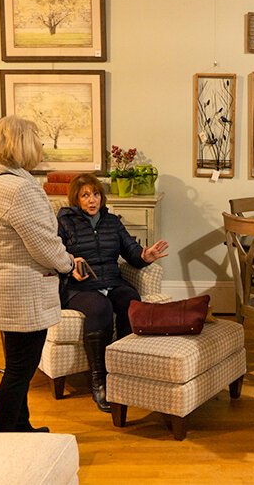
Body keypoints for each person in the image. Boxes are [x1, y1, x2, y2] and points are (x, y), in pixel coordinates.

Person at [0, 115, 85, 432]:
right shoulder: (21, 190)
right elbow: (44, 245)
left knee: (16, 365)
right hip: (24, 292)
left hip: (2, 286)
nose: (40, 148)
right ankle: (3, 435)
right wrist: (68, 264)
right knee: (20, 370)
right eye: (36, 142)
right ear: (23, 146)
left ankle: (20, 428)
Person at [57, 173, 169, 413]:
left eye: (96, 194)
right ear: (76, 199)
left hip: (112, 281)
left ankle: (126, 371)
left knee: (130, 301)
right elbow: (54, 256)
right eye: (85, 195)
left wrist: (144, 256)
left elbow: (131, 250)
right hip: (80, 288)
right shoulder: (65, 222)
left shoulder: (112, 222)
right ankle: (100, 381)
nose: (92, 200)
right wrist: (69, 268)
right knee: (101, 308)